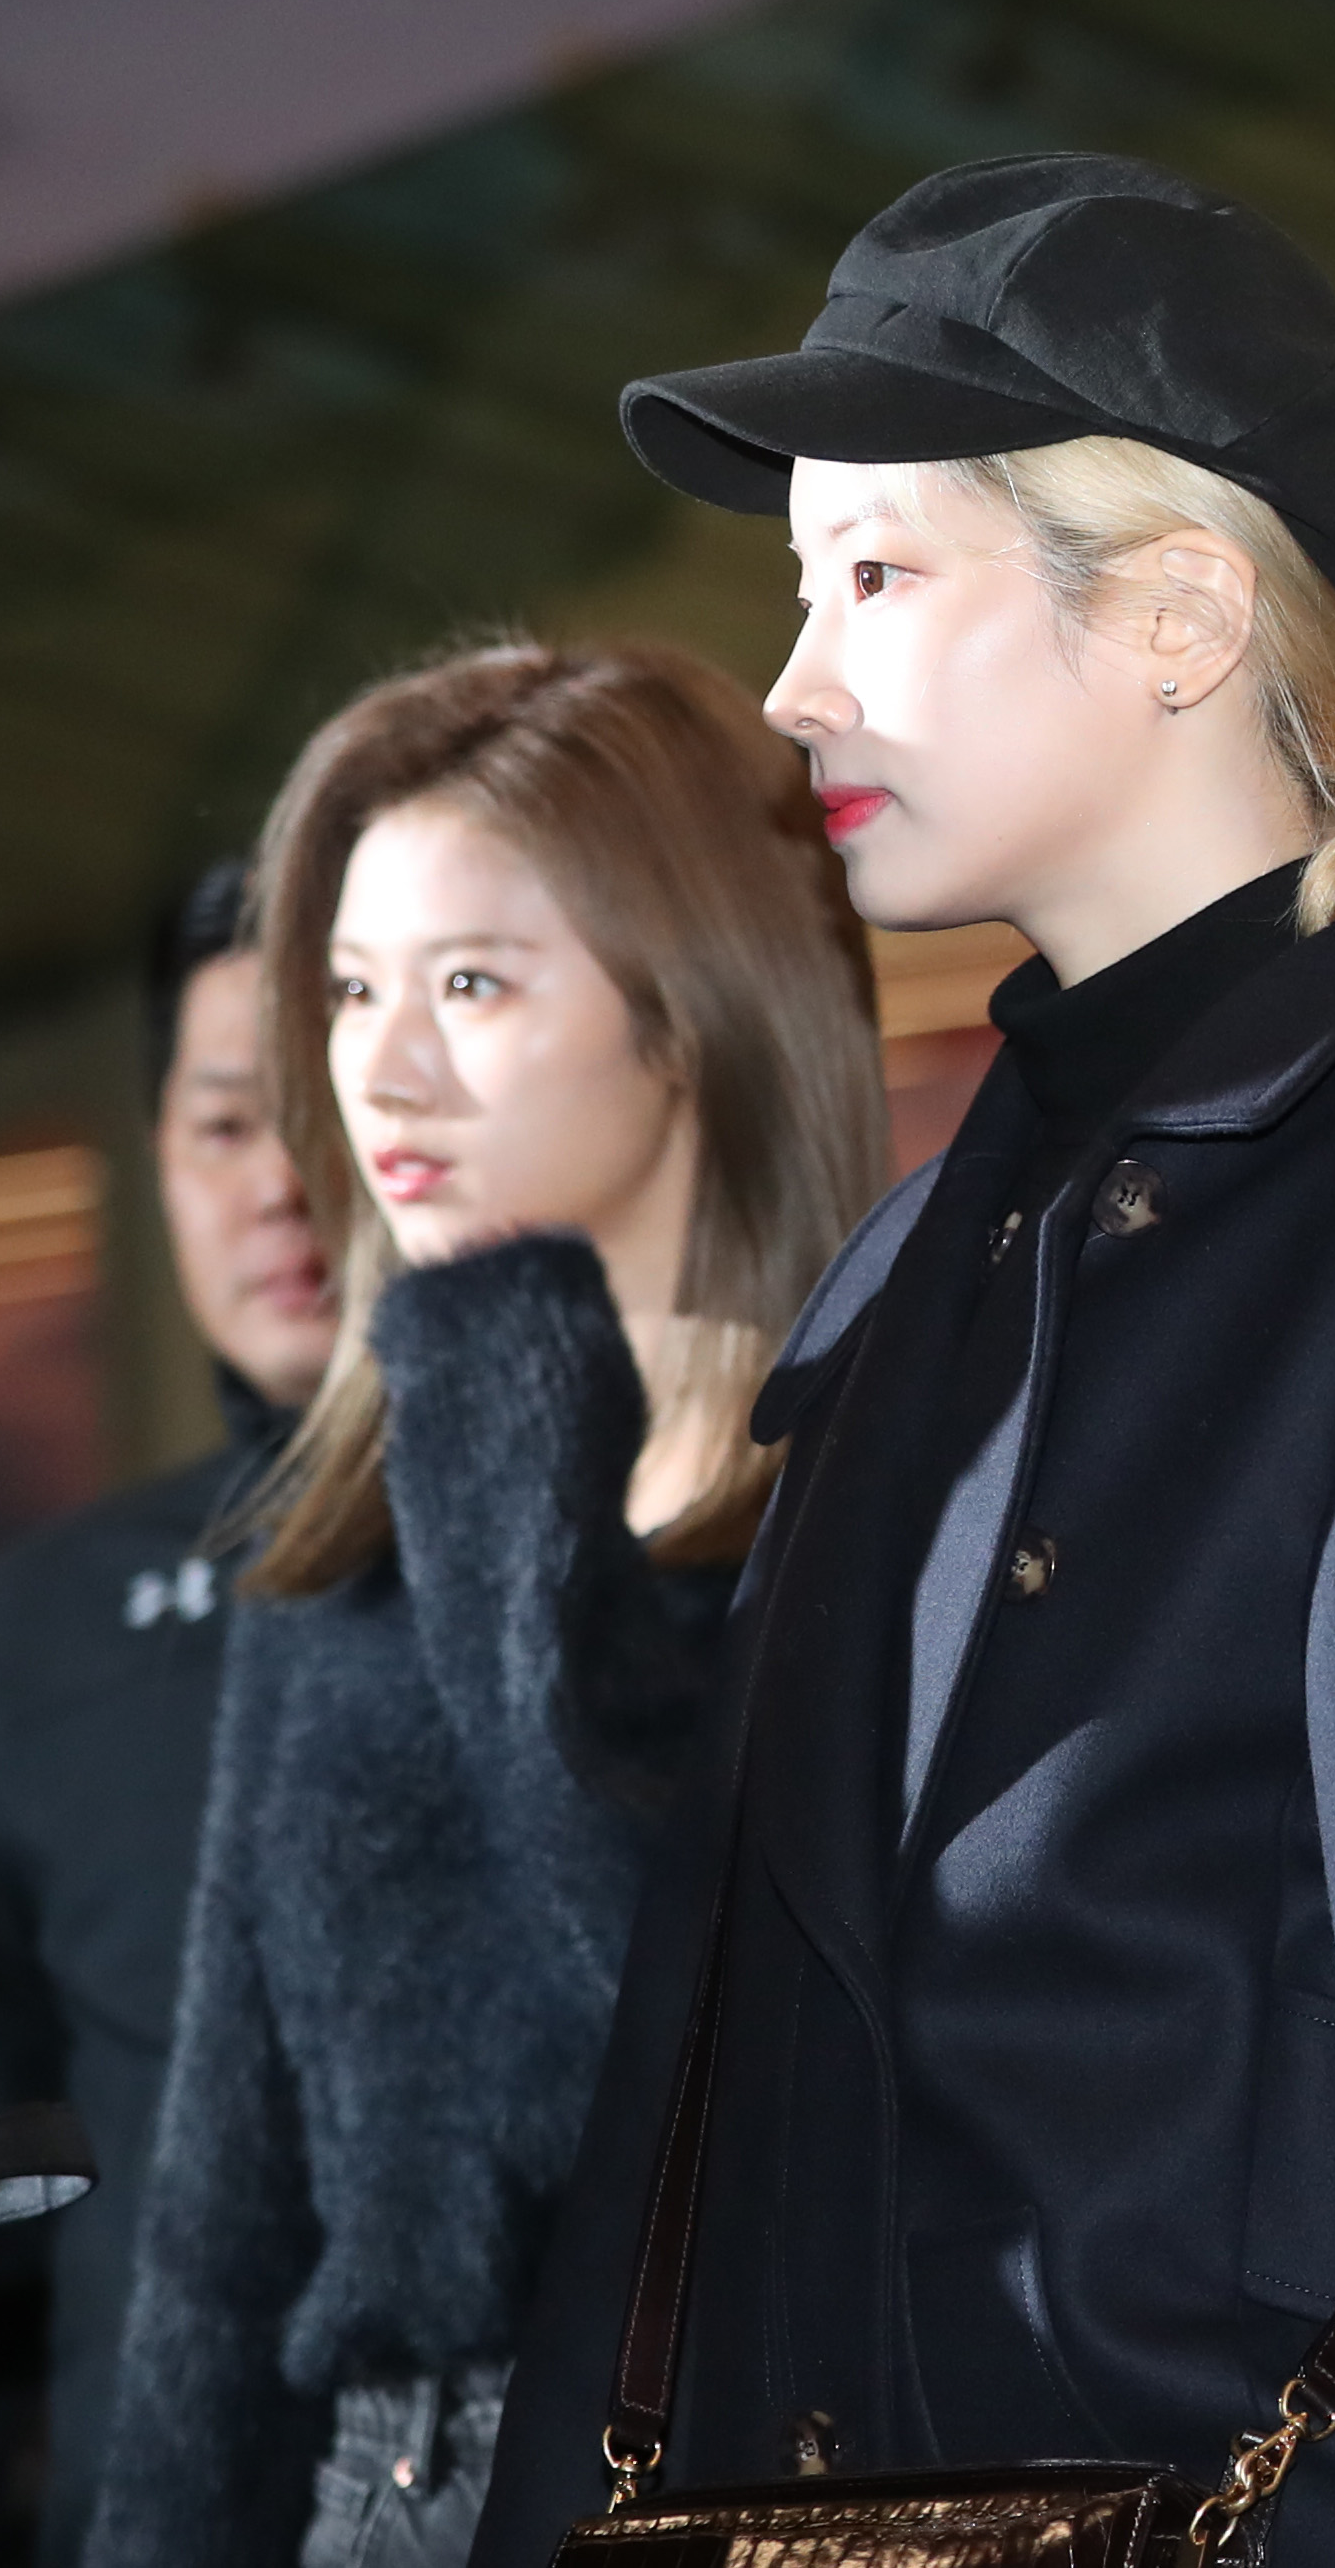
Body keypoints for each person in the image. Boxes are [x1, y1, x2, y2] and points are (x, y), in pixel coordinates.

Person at [468, 156, 1335, 2568]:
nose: (793, 683)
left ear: (1182, 610)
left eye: (878, 577)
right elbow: (700, 2109)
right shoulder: (927, 1261)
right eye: (803, 590)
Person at [85, 643, 888, 2568]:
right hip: (395, 2499)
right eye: (354, 988)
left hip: (775, 2486)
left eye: (470, 983)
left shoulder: (886, 1511)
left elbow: (691, 2062)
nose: (380, 1069)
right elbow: (221, 2232)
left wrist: (501, 1398)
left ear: (690, 1008)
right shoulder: (343, 1556)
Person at [0, 867, 342, 2568]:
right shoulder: (47, 1619)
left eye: (325, 1113)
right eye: (223, 1124)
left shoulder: (648, 1568)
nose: (277, 1183)